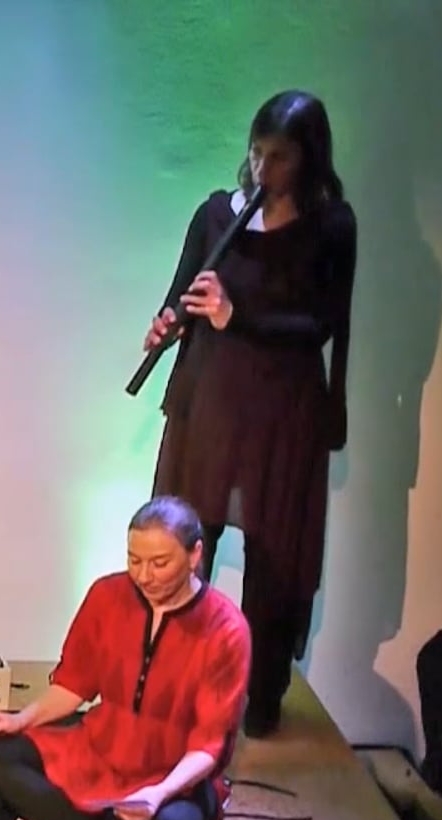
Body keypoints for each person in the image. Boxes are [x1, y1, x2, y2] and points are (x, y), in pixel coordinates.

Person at [144, 89, 356, 737]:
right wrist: (168, 324)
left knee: (271, 563)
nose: (263, 168)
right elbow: (183, 291)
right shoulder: (217, 215)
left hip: (281, 418)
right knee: (184, 546)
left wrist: (238, 316)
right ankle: (173, 689)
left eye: (280, 157)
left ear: (310, 158)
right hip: (210, 405)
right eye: (257, 152)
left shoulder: (330, 228)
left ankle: (258, 698)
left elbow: (321, 324)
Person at [0, 497, 248, 820]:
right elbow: (74, 685)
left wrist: (160, 793)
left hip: (171, 773)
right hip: (99, 748)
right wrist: (20, 719)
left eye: (159, 563)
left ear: (195, 555)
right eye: (134, 560)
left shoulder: (225, 630)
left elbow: (209, 744)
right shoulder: (106, 595)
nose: (144, 575)